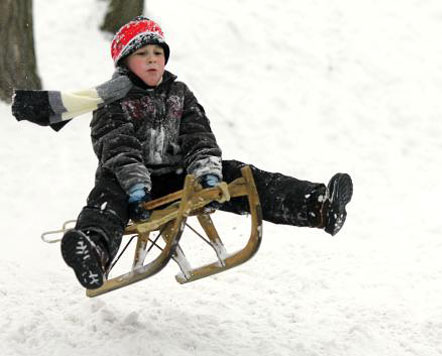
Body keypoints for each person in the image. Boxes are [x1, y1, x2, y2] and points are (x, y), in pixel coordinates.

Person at [13, 16, 353, 290]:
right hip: (129, 184)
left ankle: (318, 206)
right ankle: (93, 252)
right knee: (106, 200)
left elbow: (197, 133)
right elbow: (117, 146)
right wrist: (135, 186)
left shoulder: (179, 92)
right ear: (125, 62)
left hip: (181, 178)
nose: (152, 60)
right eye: (142, 54)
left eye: (157, 53)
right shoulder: (111, 101)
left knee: (241, 175)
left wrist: (207, 171)